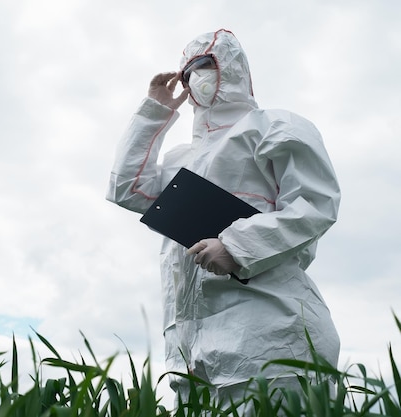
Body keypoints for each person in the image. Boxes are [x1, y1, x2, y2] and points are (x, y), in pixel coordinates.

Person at [106, 29, 341, 406]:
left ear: (231, 68)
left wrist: (236, 245)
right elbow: (128, 189)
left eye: (203, 65)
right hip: (192, 351)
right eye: (185, 74)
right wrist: (154, 110)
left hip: (270, 333)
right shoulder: (182, 159)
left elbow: (315, 203)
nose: (193, 78)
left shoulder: (274, 127)